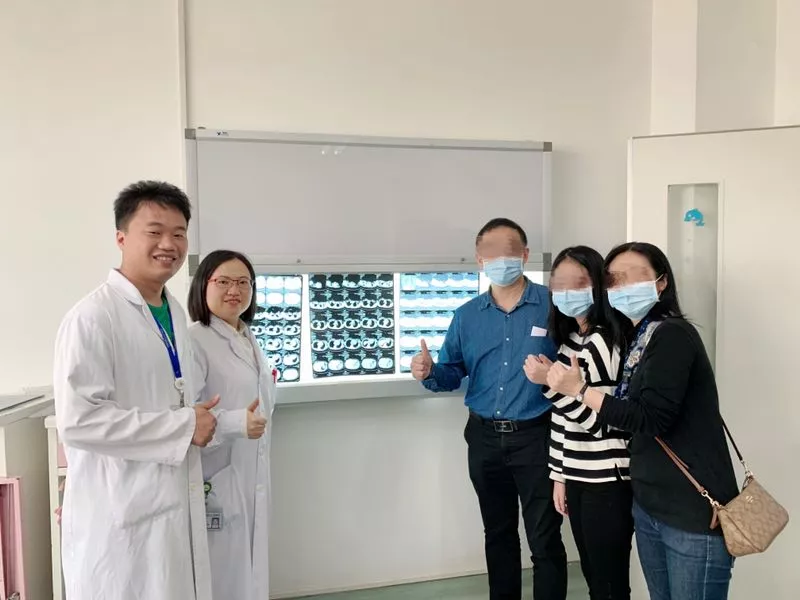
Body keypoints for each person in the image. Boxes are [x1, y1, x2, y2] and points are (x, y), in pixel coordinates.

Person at [546, 242, 738, 600]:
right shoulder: (637, 338)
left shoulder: (673, 334)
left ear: (661, 282)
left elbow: (649, 418)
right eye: (614, 280)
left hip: (692, 509)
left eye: (634, 277)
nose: (622, 287)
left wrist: (579, 390)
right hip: (651, 504)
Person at [53, 180, 218, 600]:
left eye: (179, 233)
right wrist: (184, 426)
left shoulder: (173, 310)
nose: (169, 244)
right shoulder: (93, 317)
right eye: (155, 232)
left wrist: (195, 420)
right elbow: (79, 421)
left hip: (169, 506)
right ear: (121, 238)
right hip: (119, 516)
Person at [411, 218, 567, 600]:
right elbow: (452, 372)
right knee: (498, 534)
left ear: (525, 255)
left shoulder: (553, 306)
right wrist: (430, 372)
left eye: (508, 252)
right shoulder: (466, 315)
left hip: (537, 436)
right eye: (490, 254)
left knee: (544, 538)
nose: (500, 261)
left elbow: (578, 368)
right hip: (483, 438)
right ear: (479, 260)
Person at [523, 246, 633, 600]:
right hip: (578, 475)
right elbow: (561, 421)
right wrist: (559, 475)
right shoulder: (572, 338)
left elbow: (602, 423)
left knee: (608, 581)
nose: (567, 292)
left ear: (598, 285)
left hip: (607, 480)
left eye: (579, 283)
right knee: (593, 575)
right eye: (559, 284)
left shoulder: (604, 341)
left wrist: (549, 385)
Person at [187, 250, 276, 600]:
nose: (234, 290)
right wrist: (236, 423)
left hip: (249, 472)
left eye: (243, 282)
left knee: (247, 569)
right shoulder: (195, 341)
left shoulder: (246, 337)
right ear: (203, 285)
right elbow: (187, 415)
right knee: (222, 574)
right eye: (223, 281)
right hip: (218, 475)